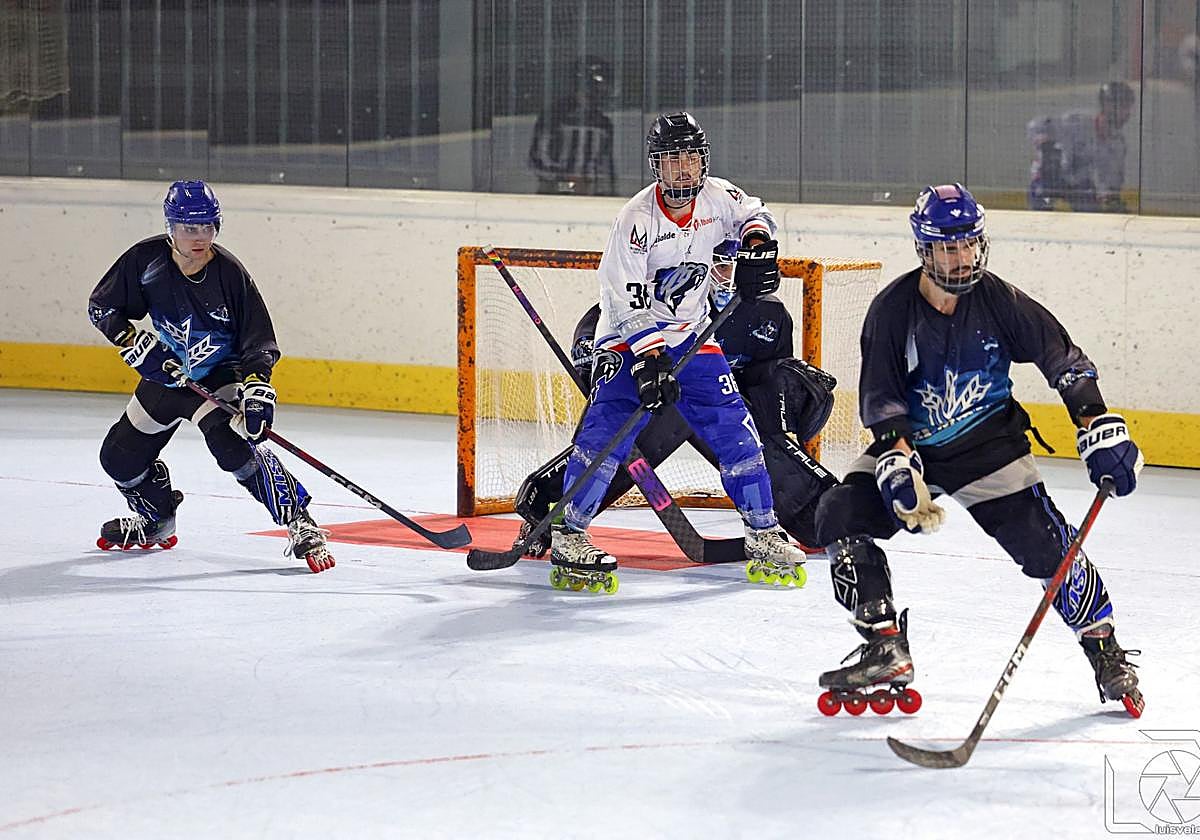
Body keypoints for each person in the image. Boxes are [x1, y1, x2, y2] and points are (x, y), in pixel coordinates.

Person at [812, 183, 1144, 717]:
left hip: (990, 445)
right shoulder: (892, 311)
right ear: (924, 250)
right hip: (915, 448)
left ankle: (1104, 650)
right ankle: (883, 643)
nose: (961, 258)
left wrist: (1098, 424)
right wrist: (896, 463)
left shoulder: (1000, 299)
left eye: (968, 245)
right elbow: (882, 398)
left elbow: (1064, 360)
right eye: (947, 247)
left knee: (1048, 550)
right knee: (838, 513)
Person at [545, 111, 807, 590]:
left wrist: (756, 244)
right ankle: (568, 531)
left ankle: (762, 532)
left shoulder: (717, 196)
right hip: (628, 338)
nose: (683, 168)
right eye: (671, 159)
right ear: (655, 166)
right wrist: (648, 359)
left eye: (690, 156)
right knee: (608, 433)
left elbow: (754, 213)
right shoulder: (635, 220)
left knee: (735, 429)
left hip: (691, 334)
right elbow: (623, 296)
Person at [514, 238, 838, 557]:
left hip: (716, 408)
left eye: (731, 266)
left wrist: (782, 391)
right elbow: (607, 319)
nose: (724, 275)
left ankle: (822, 519)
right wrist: (597, 360)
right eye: (718, 265)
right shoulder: (663, 293)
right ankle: (546, 514)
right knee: (616, 444)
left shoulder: (770, 313)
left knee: (750, 444)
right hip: (656, 402)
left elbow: (763, 373)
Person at [87, 180, 335, 573]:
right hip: (168, 375)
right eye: (189, 228)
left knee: (234, 445)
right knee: (117, 459)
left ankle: (299, 520)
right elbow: (103, 307)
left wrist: (256, 387)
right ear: (171, 228)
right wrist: (131, 341)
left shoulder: (230, 273)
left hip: (218, 375)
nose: (200, 237)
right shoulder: (145, 261)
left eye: (208, 227)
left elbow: (257, 339)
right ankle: (156, 518)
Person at [1026, 81, 1136, 213]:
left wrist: (1110, 198)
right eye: (1124, 107)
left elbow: (1110, 181)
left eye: (1128, 108)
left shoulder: (1118, 144)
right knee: (1042, 206)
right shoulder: (1077, 122)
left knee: (1091, 213)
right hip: (1048, 180)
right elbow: (1036, 126)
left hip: (1078, 185)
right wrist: (1044, 143)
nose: (1127, 113)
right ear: (1108, 106)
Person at [527, 57, 616, 197]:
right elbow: (538, 160)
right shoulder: (555, 116)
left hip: (590, 201)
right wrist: (570, 185)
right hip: (555, 200)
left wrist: (608, 196)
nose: (603, 92)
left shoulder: (603, 124)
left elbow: (605, 168)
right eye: (600, 86)